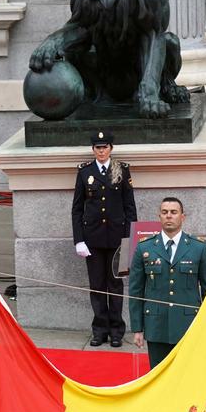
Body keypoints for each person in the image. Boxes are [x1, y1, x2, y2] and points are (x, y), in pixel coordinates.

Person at [129, 197, 206, 369]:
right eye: (165, 212)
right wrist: (137, 328)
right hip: (155, 325)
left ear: (182, 217)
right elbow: (136, 291)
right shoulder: (144, 248)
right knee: (157, 374)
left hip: (188, 325)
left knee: (186, 374)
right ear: (159, 217)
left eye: (173, 212)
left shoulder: (198, 247)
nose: (169, 216)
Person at [71, 131, 136, 347]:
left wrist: (130, 240)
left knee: (115, 285)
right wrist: (79, 239)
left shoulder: (122, 170)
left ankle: (117, 330)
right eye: (97, 147)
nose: (101, 151)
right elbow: (77, 209)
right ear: (93, 150)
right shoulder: (85, 172)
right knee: (97, 285)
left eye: (105, 147)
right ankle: (99, 330)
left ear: (111, 148)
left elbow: (129, 208)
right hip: (93, 239)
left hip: (117, 239)